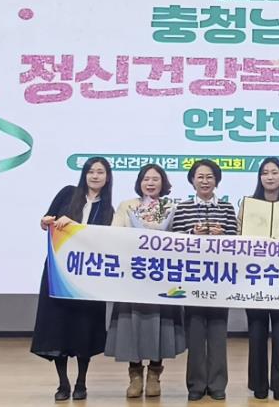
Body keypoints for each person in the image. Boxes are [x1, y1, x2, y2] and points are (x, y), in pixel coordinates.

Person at [31, 156, 115, 401]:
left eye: (100, 172)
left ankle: (81, 382)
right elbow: (47, 220)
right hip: (58, 272)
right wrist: (45, 221)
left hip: (87, 278)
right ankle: (63, 383)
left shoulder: (108, 209)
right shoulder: (67, 194)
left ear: (107, 177)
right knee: (59, 326)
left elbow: (102, 240)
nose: (95, 176)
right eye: (90, 171)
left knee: (84, 329)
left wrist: (75, 226)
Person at [104, 164, 184, 398]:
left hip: (161, 277)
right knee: (132, 324)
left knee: (160, 324)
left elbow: (180, 238)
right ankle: (135, 375)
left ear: (163, 183)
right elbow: (114, 233)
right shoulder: (127, 206)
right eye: (146, 179)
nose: (150, 183)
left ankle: (154, 375)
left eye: (155, 179)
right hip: (133, 275)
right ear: (139, 182)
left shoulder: (172, 207)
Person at [171, 159, 238, 401]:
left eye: (210, 177)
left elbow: (238, 240)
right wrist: (192, 234)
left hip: (220, 278)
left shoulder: (227, 208)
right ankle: (196, 385)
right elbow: (174, 240)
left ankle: (218, 384)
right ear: (192, 181)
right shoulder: (182, 208)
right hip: (193, 279)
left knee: (218, 332)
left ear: (216, 181)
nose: (205, 181)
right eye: (200, 177)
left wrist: (224, 235)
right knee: (196, 332)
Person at [238, 157, 279, 401]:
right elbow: (239, 235)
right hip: (254, 277)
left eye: (274, 172)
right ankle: (258, 385)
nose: (269, 176)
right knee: (256, 331)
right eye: (265, 172)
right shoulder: (248, 204)